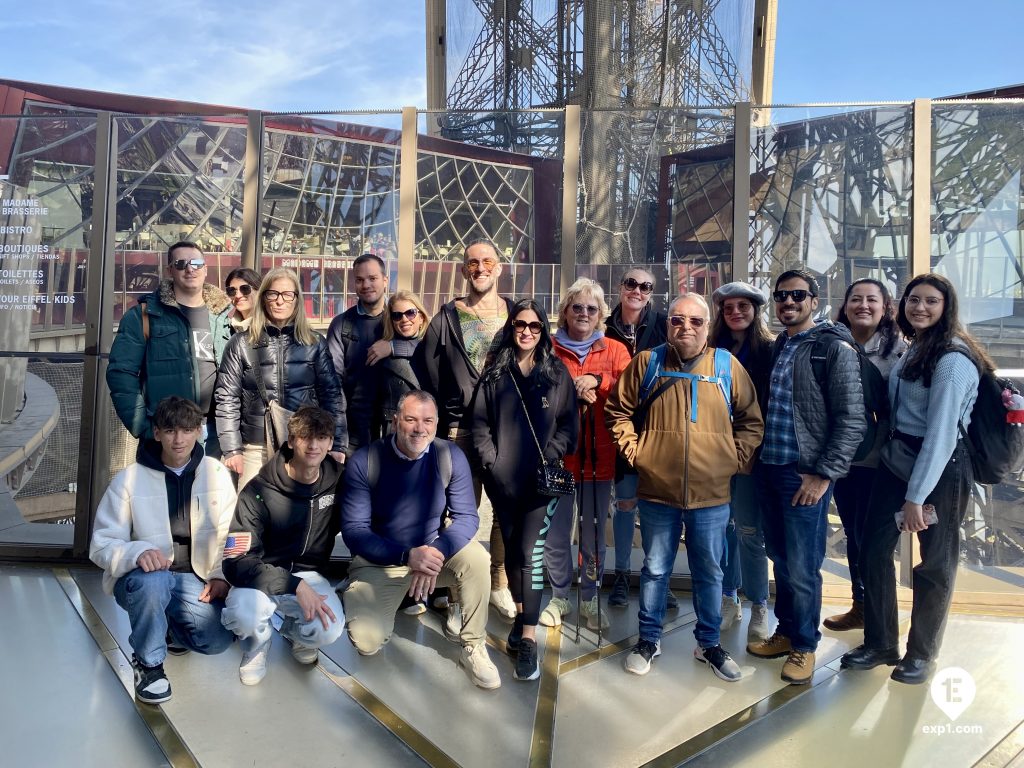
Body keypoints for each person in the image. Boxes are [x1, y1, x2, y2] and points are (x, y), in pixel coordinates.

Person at [606, 295, 763, 680]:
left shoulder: (727, 366)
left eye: (695, 321)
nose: (686, 327)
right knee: (656, 569)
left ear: (707, 326)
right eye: (677, 320)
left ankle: (709, 644)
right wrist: (637, 452)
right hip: (658, 491)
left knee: (709, 571)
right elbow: (618, 410)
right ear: (668, 324)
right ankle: (648, 639)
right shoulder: (649, 363)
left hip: (712, 496)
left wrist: (732, 459)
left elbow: (751, 421)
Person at [842, 274, 988, 685]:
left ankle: (922, 653)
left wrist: (915, 497)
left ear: (947, 308)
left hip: (940, 468)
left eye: (931, 302)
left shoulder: (953, 360)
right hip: (898, 457)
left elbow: (941, 436)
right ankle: (881, 642)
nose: (920, 307)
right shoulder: (915, 349)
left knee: (935, 564)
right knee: (872, 549)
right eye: (913, 300)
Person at [747, 269, 864, 686]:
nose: (788, 302)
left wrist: (823, 475)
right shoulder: (783, 344)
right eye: (781, 296)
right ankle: (786, 631)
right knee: (780, 557)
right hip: (770, 469)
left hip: (804, 476)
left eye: (798, 294)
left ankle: (805, 646)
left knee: (802, 564)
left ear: (815, 300)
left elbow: (852, 421)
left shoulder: (833, 349)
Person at [340, 391, 501, 690]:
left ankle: (474, 645)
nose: (419, 428)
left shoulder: (449, 456)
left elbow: (468, 518)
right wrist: (407, 557)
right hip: (382, 561)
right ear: (395, 421)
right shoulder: (366, 460)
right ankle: (371, 595)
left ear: (437, 424)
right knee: (367, 643)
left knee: (478, 559)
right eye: (411, 419)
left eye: (427, 421)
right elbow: (354, 531)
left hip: (431, 554)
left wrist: (433, 554)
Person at [89, 396, 237, 704]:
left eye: (186, 430)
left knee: (217, 641)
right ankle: (148, 664)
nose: (178, 439)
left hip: (193, 579)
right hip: (143, 579)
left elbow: (230, 534)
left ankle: (164, 626)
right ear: (157, 433)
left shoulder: (216, 474)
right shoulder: (129, 480)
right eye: (169, 431)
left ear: (199, 431)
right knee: (154, 582)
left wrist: (220, 574)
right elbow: (101, 544)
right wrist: (137, 553)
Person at [470, 299, 579, 681]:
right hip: (504, 482)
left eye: (535, 325)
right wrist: (491, 462)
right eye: (520, 324)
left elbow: (569, 425)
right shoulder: (496, 373)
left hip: (541, 484)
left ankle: (529, 638)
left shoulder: (556, 374)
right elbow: (479, 424)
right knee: (515, 554)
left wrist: (552, 452)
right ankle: (522, 615)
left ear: (543, 330)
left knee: (531, 554)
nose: (527, 331)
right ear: (511, 327)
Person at [416, 238, 517, 625]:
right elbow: (427, 370)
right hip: (460, 430)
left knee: (505, 511)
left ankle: (498, 585)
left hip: (505, 430)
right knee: (459, 516)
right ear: (463, 270)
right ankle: (459, 595)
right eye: (472, 262)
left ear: (500, 267)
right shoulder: (447, 317)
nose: (480, 268)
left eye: (487, 261)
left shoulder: (515, 316)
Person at [220, 407, 347, 686]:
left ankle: (294, 632)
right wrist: (293, 586)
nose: (313, 445)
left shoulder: (339, 482)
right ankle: (258, 643)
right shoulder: (257, 491)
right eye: (305, 438)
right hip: (261, 576)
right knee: (244, 615)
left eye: (321, 437)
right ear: (290, 441)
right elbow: (235, 561)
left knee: (328, 629)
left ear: (330, 443)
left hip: (310, 574)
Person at [542, 278, 631, 630]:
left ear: (600, 315)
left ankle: (591, 597)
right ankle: (560, 595)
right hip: (560, 457)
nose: (583, 313)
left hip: (600, 456)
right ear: (565, 311)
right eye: (577, 307)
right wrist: (568, 391)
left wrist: (598, 381)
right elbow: (538, 390)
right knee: (557, 530)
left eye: (591, 309)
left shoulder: (615, 349)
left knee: (594, 531)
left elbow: (628, 389)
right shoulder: (547, 348)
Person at [823, 278, 907, 632]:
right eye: (855, 298)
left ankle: (880, 617)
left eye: (872, 299)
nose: (863, 305)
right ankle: (862, 607)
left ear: (886, 307)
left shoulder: (900, 352)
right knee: (856, 538)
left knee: (874, 543)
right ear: (844, 306)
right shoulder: (832, 345)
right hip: (846, 461)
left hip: (883, 464)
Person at [214, 268, 347, 489]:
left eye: (287, 294)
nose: (279, 301)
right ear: (263, 297)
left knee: (300, 516)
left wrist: (338, 443)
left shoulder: (314, 343)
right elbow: (227, 398)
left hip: (305, 443)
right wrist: (232, 449)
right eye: (273, 294)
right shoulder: (240, 343)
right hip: (255, 446)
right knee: (251, 514)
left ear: (296, 299)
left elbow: (331, 396)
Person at [107, 241, 232, 457]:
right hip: (167, 435)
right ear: (170, 270)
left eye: (196, 263)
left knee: (212, 491)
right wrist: (144, 427)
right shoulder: (144, 316)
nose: (190, 269)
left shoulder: (223, 316)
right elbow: (121, 374)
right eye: (181, 263)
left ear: (205, 269)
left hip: (215, 432)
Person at [602, 268, 673, 610]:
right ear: (620, 287)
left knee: (657, 509)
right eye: (631, 283)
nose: (637, 290)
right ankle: (621, 576)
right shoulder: (604, 327)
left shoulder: (662, 325)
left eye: (645, 286)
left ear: (651, 293)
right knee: (625, 505)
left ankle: (657, 578)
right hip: (619, 429)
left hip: (658, 431)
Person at [709, 282, 775, 642]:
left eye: (743, 306)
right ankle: (728, 596)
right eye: (729, 306)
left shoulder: (769, 350)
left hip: (751, 455)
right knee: (723, 529)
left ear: (755, 310)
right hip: (715, 454)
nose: (735, 312)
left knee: (750, 531)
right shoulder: (711, 351)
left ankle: (759, 603)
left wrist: (750, 452)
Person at [327, 253, 414, 450]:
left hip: (396, 429)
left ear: (385, 281)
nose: (366, 285)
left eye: (372, 278)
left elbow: (425, 348)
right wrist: (339, 431)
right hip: (354, 431)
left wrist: (393, 347)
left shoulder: (401, 316)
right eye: (359, 280)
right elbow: (333, 380)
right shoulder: (342, 324)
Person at [376, 291, 429, 433]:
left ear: (422, 317)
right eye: (397, 315)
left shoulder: (434, 346)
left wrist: (394, 347)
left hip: (427, 427)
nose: (404, 319)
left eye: (410, 313)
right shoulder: (381, 350)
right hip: (395, 429)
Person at [224, 267, 262, 335]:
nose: (238, 296)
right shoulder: (225, 328)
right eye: (232, 290)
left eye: (245, 289)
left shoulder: (269, 328)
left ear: (259, 291)